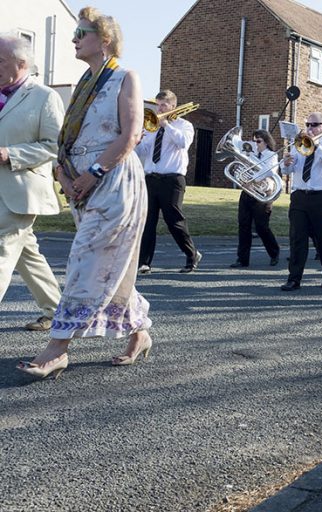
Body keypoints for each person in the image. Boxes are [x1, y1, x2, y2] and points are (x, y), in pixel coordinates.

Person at [17, 7, 151, 379]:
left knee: (84, 261)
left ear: (104, 39)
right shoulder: (83, 83)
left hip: (114, 181)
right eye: (75, 34)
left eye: (82, 33)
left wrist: (94, 172)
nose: (75, 39)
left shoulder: (126, 77)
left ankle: (57, 348)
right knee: (112, 266)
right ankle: (139, 332)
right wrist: (64, 175)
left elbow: (130, 135)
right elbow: (69, 138)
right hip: (81, 186)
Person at [0, 33, 63, 332]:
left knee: (2, 249)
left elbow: (53, 145)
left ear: (21, 63)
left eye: (0, 61)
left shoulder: (45, 97)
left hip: (21, 190)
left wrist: (10, 154)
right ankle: (57, 311)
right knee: (27, 253)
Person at [135, 89, 202, 274]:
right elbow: (141, 153)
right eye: (157, 105)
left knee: (174, 221)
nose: (159, 108)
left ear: (173, 106)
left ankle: (191, 254)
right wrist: (138, 141)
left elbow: (183, 143)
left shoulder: (184, 125)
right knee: (148, 222)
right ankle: (145, 262)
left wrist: (166, 125)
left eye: (163, 105)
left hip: (172, 180)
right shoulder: (151, 127)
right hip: (151, 178)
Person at [279, 112, 322, 290]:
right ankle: (294, 278)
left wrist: (317, 145)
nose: (310, 128)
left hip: (321, 197)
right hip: (299, 196)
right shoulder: (299, 143)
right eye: (307, 124)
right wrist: (287, 163)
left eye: (314, 125)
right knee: (297, 238)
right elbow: (288, 171)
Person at [230, 129, 280, 268]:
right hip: (247, 192)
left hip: (263, 194)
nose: (256, 144)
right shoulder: (249, 153)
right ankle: (242, 259)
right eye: (254, 141)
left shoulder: (271, 155)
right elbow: (240, 169)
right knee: (243, 225)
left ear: (266, 142)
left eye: (258, 141)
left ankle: (274, 253)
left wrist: (251, 178)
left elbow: (268, 171)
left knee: (261, 227)